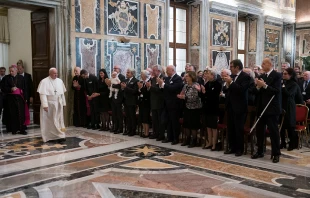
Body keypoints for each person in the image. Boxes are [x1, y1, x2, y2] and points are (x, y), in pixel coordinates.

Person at [252, 58, 282, 163]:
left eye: (263, 63)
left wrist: (264, 86)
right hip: (261, 108)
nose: (262, 65)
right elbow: (256, 92)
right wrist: (258, 87)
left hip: (272, 108)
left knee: (274, 132)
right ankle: (260, 150)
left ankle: (276, 153)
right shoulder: (262, 76)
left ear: (270, 64)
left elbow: (276, 91)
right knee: (260, 131)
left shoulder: (277, 76)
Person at [223, 59, 250, 156]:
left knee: (238, 129)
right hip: (230, 106)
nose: (230, 68)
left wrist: (231, 83)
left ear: (237, 67)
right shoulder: (232, 76)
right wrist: (227, 84)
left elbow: (241, 90)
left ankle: (239, 149)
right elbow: (226, 90)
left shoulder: (245, 77)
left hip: (240, 107)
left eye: (231, 67)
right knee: (231, 128)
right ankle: (232, 147)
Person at [37, 68, 66, 142]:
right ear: (50, 73)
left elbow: (62, 94)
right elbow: (42, 94)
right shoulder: (44, 81)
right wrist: (45, 105)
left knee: (59, 120)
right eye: (54, 73)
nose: (56, 75)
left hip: (58, 103)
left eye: (57, 73)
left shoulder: (60, 81)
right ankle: (49, 137)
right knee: (49, 121)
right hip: (49, 105)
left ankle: (60, 135)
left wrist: (63, 103)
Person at [158, 65, 183, 145]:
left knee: (174, 121)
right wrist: (161, 85)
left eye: (167, 70)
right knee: (168, 121)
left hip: (174, 104)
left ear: (172, 70)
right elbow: (165, 89)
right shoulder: (167, 78)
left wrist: (163, 84)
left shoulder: (178, 78)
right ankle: (169, 137)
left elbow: (173, 88)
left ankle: (176, 138)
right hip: (166, 103)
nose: (166, 72)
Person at [1, 65, 29, 135]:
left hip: (20, 98)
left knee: (21, 114)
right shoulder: (6, 78)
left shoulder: (21, 78)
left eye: (12, 71)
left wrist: (25, 98)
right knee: (13, 114)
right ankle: (14, 129)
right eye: (10, 71)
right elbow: (3, 88)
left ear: (16, 71)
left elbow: (25, 88)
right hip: (10, 99)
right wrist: (10, 89)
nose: (11, 72)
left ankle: (22, 129)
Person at [281, 68, 303, 151]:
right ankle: (282, 142)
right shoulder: (284, 82)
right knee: (282, 126)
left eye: (285, 74)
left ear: (290, 75)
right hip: (282, 105)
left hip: (289, 106)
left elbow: (290, 94)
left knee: (290, 126)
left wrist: (283, 87)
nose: (283, 75)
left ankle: (292, 144)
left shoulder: (294, 84)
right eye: (283, 73)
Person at [178, 71, 202, 148]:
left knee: (193, 125)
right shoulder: (185, 85)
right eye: (185, 76)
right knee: (187, 124)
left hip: (195, 108)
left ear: (192, 77)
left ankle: (194, 140)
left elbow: (195, 97)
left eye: (187, 76)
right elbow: (182, 93)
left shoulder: (196, 85)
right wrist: (180, 96)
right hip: (187, 107)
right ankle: (187, 139)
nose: (186, 77)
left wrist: (184, 97)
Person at [200, 69, 222, 150]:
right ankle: (209, 142)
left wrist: (205, 92)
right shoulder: (207, 84)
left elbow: (214, 96)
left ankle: (214, 144)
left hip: (213, 108)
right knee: (208, 126)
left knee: (213, 127)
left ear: (213, 75)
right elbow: (203, 96)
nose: (206, 75)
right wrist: (202, 92)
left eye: (208, 74)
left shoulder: (217, 84)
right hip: (206, 108)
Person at [146, 65, 165, 140]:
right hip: (153, 101)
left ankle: (161, 134)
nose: (153, 72)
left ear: (159, 71)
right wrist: (148, 87)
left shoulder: (163, 77)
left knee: (160, 120)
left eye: (154, 70)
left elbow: (160, 90)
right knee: (154, 120)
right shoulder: (153, 78)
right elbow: (151, 89)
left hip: (160, 102)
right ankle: (155, 133)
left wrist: (151, 87)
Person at [105, 65, 125, 133]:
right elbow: (109, 84)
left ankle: (120, 128)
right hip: (112, 97)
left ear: (119, 69)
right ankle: (114, 127)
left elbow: (120, 85)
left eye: (116, 68)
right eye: (114, 68)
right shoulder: (112, 76)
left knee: (119, 113)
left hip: (118, 97)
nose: (115, 69)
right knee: (114, 113)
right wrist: (109, 86)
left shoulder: (121, 77)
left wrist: (112, 85)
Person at [121, 68, 139, 136]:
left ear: (132, 74)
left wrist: (125, 88)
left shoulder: (135, 81)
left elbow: (134, 91)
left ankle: (133, 130)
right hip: (126, 101)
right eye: (127, 72)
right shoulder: (126, 80)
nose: (126, 73)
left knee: (132, 116)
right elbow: (124, 90)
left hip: (132, 101)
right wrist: (123, 88)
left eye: (128, 72)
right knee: (127, 116)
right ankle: (128, 129)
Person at [137, 70, 151, 138]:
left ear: (145, 75)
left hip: (147, 102)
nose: (141, 76)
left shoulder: (148, 81)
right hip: (141, 102)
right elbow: (140, 92)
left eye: (142, 74)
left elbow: (147, 92)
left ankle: (147, 132)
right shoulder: (142, 82)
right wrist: (140, 89)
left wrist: (141, 88)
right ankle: (144, 131)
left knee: (146, 118)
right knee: (142, 118)